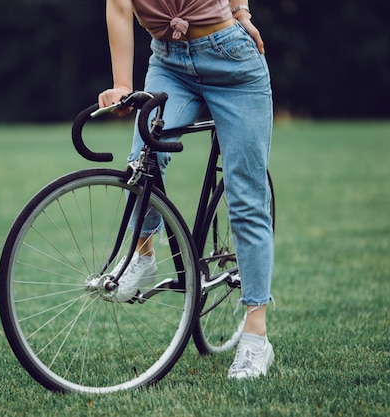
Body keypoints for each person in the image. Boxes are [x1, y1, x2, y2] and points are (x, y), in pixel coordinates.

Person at [98, 0, 275, 379]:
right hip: (169, 64)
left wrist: (241, 12)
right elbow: (118, 6)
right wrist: (123, 85)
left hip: (231, 61)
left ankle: (256, 338)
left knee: (246, 199)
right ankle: (143, 256)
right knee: (141, 162)